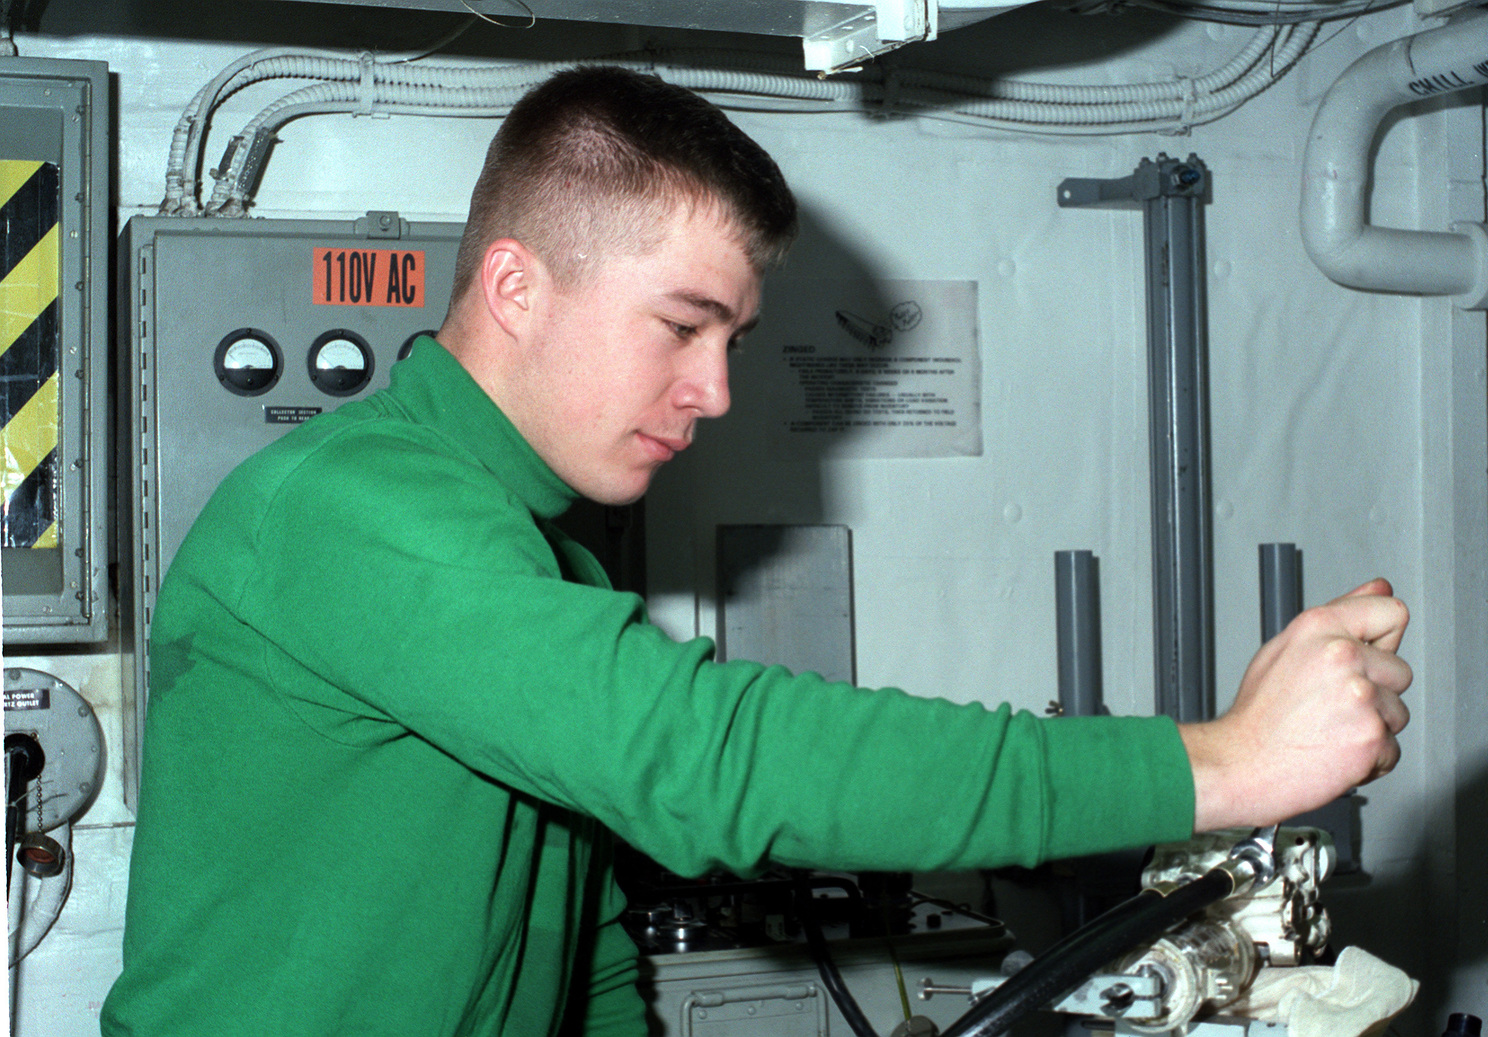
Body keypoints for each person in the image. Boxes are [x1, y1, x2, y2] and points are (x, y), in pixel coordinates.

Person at [101, 65, 1410, 1037]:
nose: (716, 390)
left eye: (731, 338)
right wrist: (1218, 764)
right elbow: (718, 760)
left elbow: (582, 949)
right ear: (514, 288)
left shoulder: (552, 568)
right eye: (682, 325)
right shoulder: (347, 506)